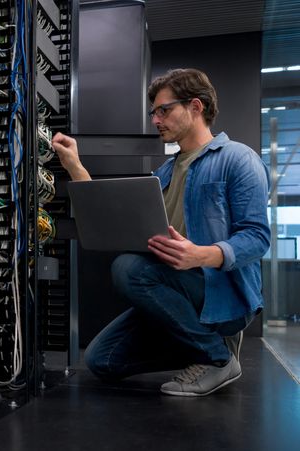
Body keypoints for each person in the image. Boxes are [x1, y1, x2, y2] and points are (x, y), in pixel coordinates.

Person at [51, 68, 270, 397]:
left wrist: (201, 254)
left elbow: (257, 237)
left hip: (216, 290)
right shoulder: (163, 172)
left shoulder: (238, 159)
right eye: (154, 112)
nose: (156, 119)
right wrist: (75, 166)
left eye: (164, 110)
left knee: (128, 269)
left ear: (195, 107)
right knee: (102, 361)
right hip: (173, 290)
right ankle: (205, 345)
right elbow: (110, 221)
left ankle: (218, 357)